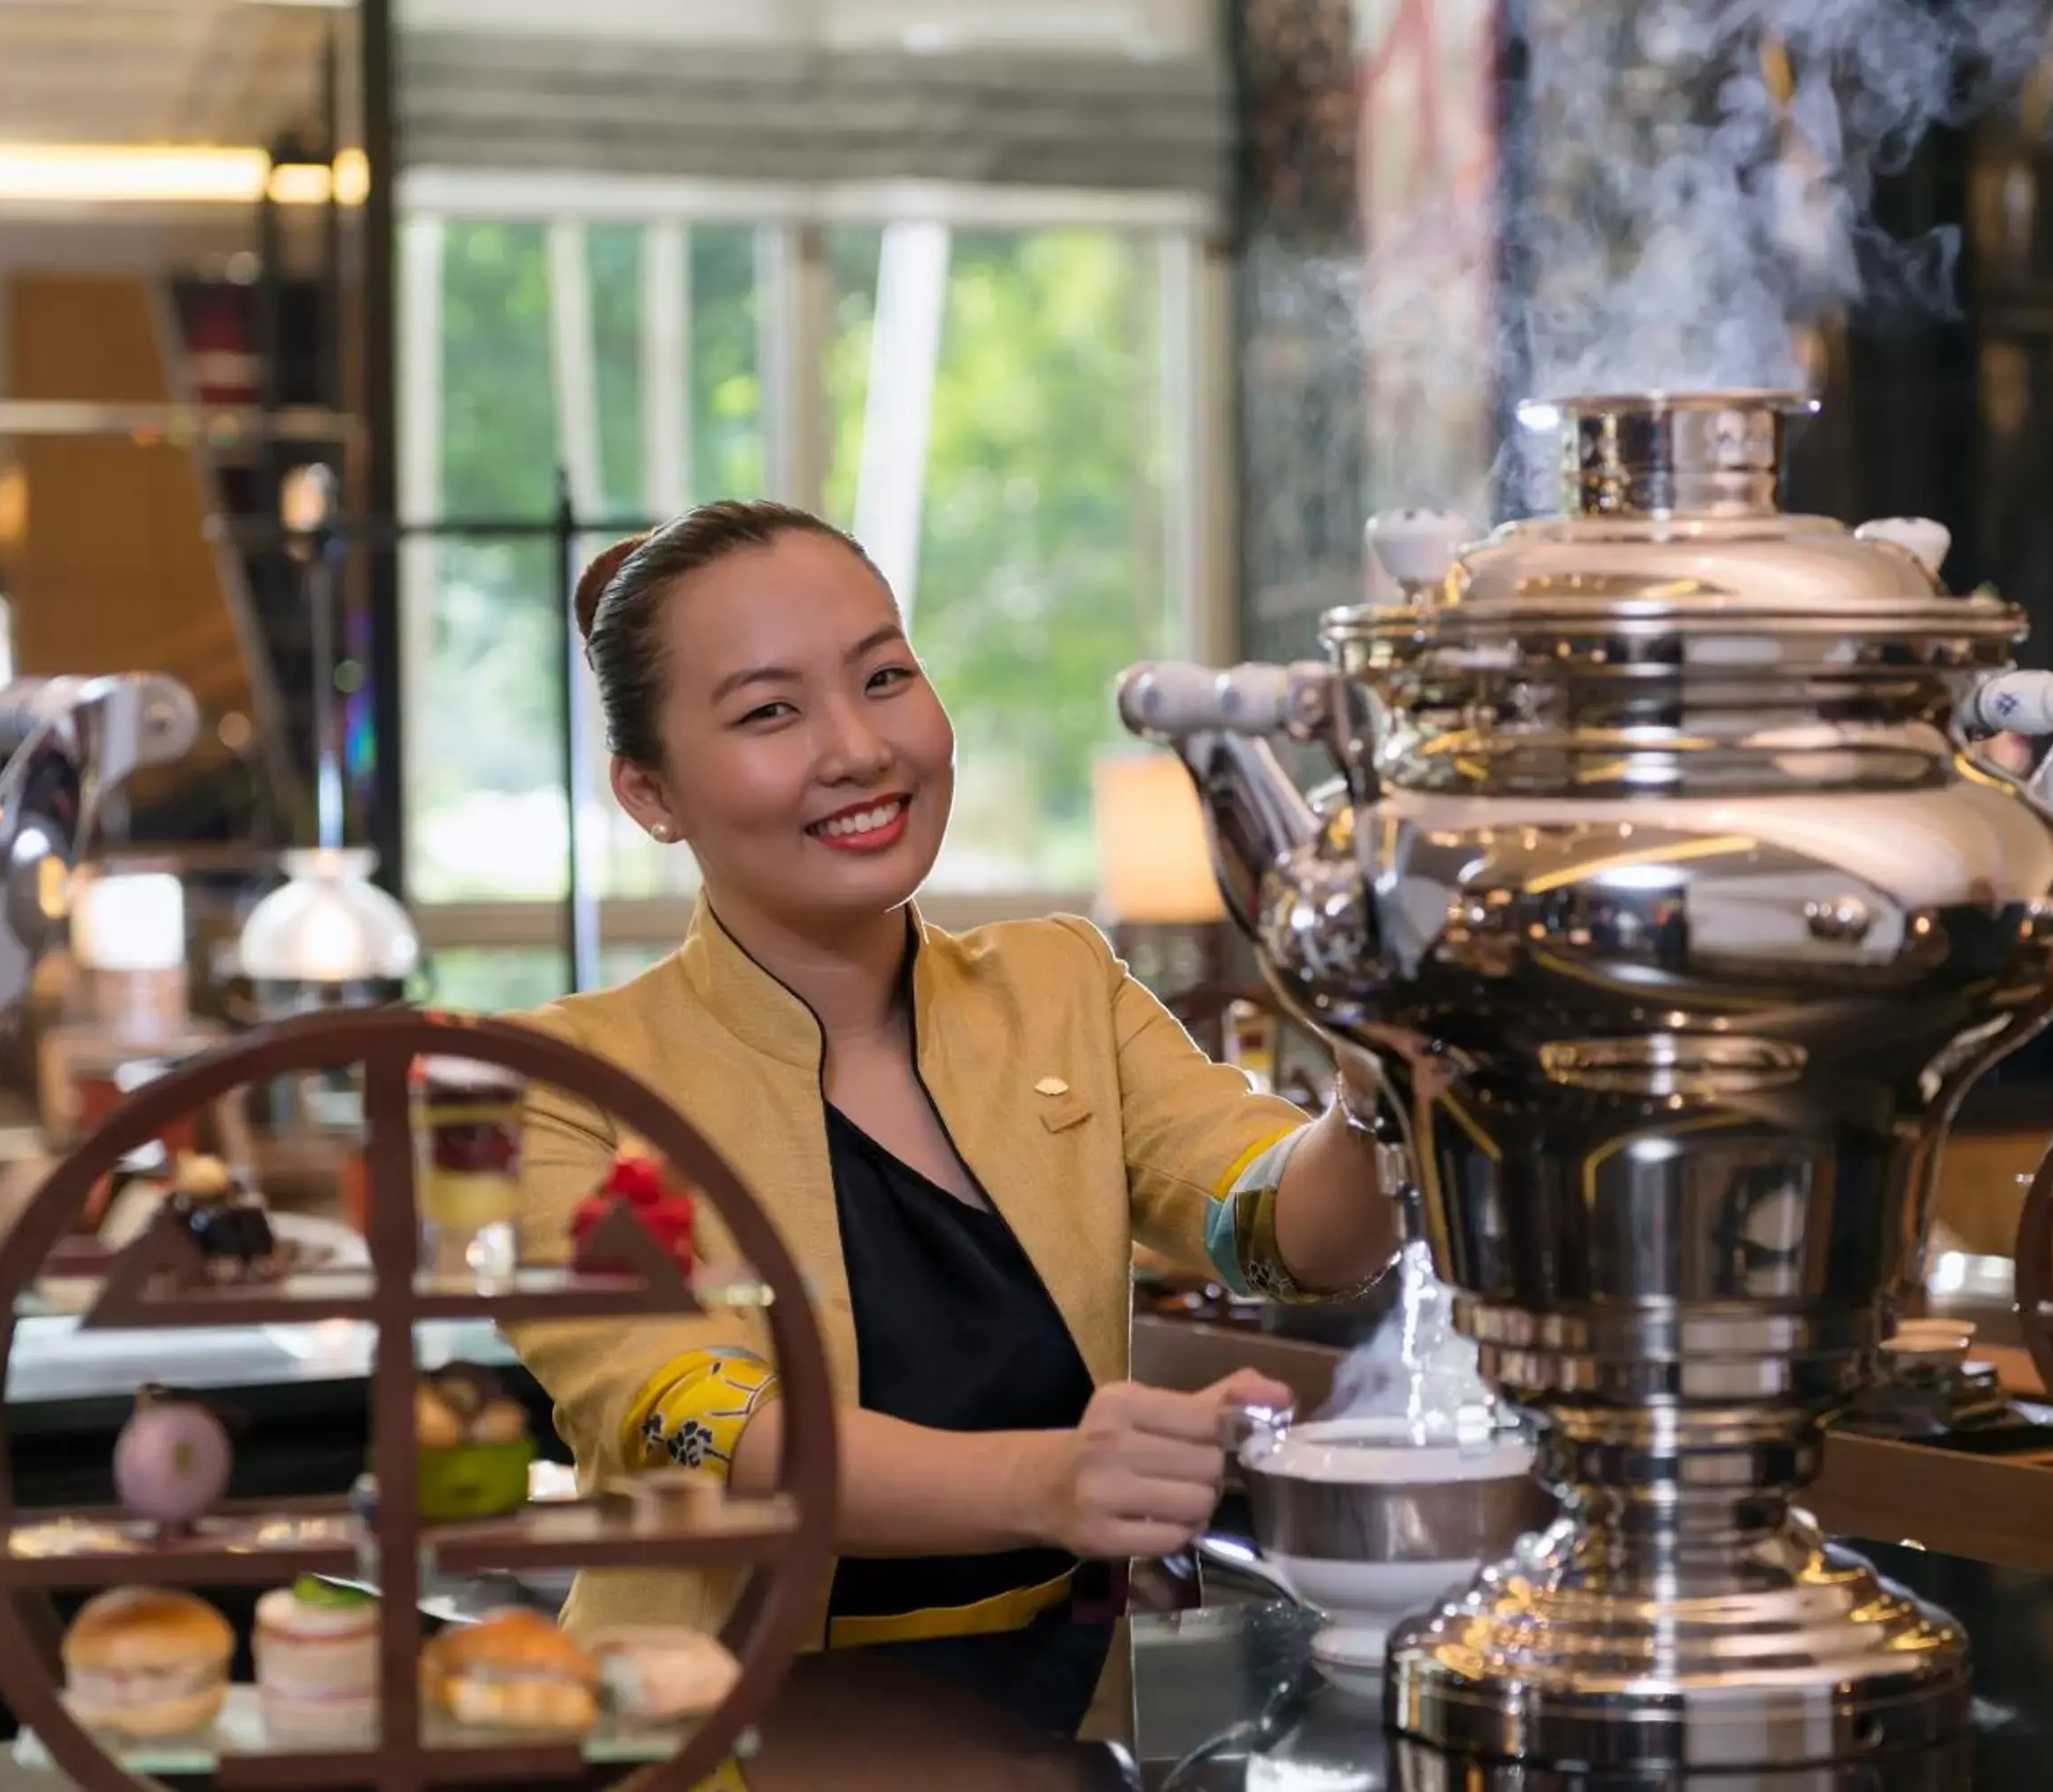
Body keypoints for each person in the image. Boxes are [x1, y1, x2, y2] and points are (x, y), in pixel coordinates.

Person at [502, 499, 1400, 1735]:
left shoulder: (1061, 987)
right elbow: (700, 1423)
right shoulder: (570, 1082)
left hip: (1059, 1735)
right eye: (771, 710)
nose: (860, 747)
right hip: (717, 1744)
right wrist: (1055, 1479)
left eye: (884, 676)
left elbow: (1286, 1229)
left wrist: (1376, 1076)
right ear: (650, 793)